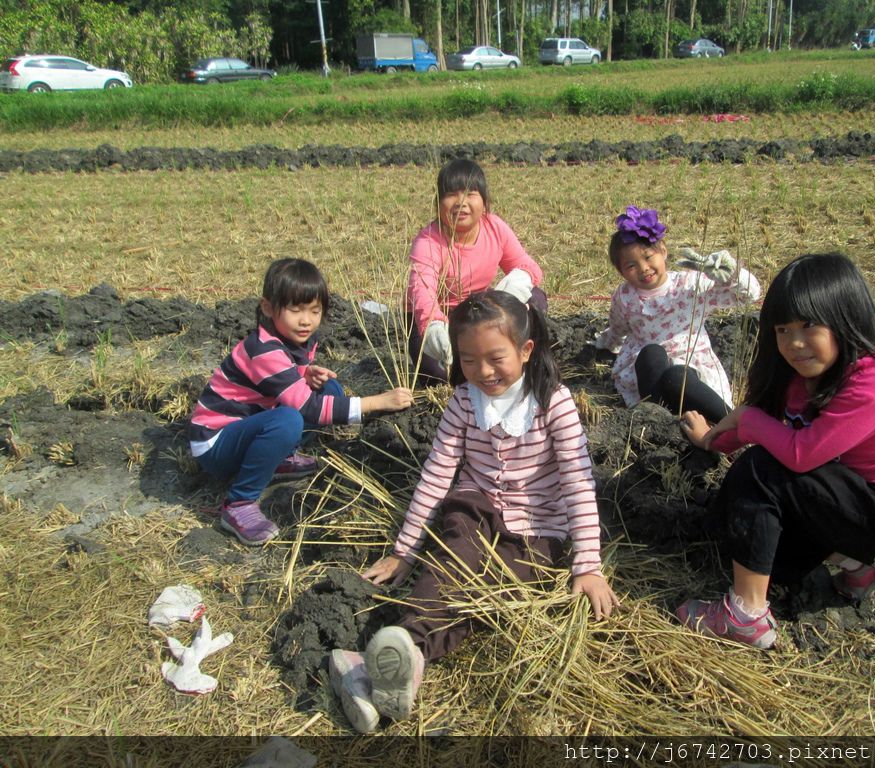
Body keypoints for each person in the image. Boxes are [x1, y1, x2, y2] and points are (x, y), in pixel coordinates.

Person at [329, 290, 619, 732]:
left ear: (525, 350)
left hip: (538, 526)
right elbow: (437, 474)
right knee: (452, 563)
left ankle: (385, 667)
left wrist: (588, 566)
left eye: (495, 358)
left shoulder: (553, 402)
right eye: (468, 360)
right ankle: (407, 648)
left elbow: (579, 483)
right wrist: (405, 550)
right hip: (474, 507)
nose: (483, 372)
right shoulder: (464, 401)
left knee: (492, 589)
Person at [677, 253, 875, 649]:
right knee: (763, 555)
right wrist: (710, 441)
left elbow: (799, 454)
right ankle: (861, 565)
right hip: (849, 503)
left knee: (762, 468)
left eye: (809, 325)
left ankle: (745, 616)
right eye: (782, 329)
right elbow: (754, 422)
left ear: (846, 318)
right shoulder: (798, 377)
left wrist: (749, 420)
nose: (794, 343)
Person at [189, 258, 413, 546]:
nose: (306, 320)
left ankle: (278, 458)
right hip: (216, 444)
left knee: (329, 388)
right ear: (268, 308)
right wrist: (377, 402)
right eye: (295, 310)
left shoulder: (297, 338)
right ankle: (239, 504)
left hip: (252, 424)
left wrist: (304, 374)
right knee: (289, 420)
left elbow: (281, 382)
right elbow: (309, 409)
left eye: (315, 311)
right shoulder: (263, 349)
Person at [594, 206, 761, 422]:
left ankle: (730, 422)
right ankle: (658, 420)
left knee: (677, 376)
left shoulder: (690, 285)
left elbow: (750, 295)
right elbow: (618, 328)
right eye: (631, 265)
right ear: (621, 272)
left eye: (648, 257)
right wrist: (605, 344)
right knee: (651, 354)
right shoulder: (624, 295)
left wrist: (732, 274)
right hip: (648, 371)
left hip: (690, 365)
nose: (643, 268)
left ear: (663, 251)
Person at [407, 158, 547, 382]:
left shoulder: (494, 227)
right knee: (439, 372)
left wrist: (515, 285)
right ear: (438, 202)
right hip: (441, 321)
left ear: (484, 201)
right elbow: (422, 290)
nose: (460, 203)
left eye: (470, 194)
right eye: (451, 194)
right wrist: (432, 324)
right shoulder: (428, 241)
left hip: (478, 311)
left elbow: (528, 266)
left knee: (536, 298)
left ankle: (514, 357)